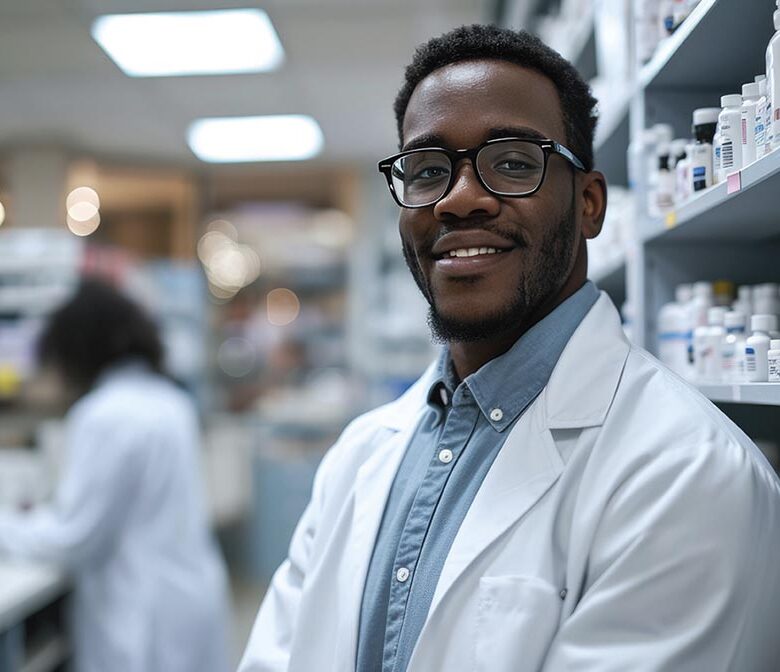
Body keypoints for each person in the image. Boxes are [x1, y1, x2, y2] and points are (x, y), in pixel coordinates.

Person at [238, 25, 780, 672]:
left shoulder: (686, 472)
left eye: (514, 162)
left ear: (588, 204)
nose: (460, 199)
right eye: (428, 170)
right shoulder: (360, 455)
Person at [0, 278, 230, 672]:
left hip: (144, 610)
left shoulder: (104, 414)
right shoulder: (167, 399)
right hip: (188, 594)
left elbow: (74, 538)